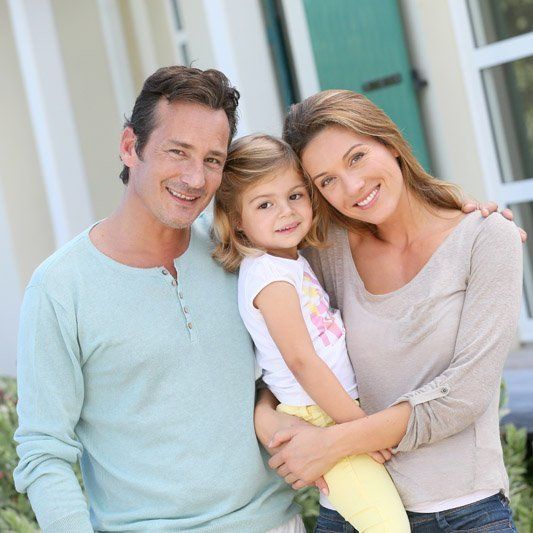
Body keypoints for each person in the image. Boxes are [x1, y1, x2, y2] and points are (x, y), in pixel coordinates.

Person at [13, 66, 303, 533]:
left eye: (213, 160)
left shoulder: (238, 251)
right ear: (130, 147)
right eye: (177, 152)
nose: (195, 178)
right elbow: (44, 451)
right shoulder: (60, 288)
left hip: (276, 523)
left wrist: (444, 210)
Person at [254, 89, 524, 532]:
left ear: (389, 142)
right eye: (326, 180)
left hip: (463, 514)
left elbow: (463, 396)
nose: (352, 187)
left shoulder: (485, 239)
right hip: (352, 515)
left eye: (356, 157)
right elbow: (283, 359)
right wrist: (270, 422)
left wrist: (332, 443)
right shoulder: (327, 255)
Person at [212, 133, 410, 532]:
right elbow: (301, 360)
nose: (286, 212)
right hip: (320, 417)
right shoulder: (268, 274)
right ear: (238, 222)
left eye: (295, 196)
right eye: (264, 204)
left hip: (331, 410)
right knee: (387, 525)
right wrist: (360, 428)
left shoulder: (290, 260)